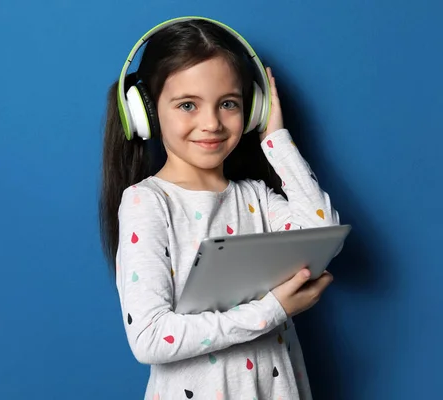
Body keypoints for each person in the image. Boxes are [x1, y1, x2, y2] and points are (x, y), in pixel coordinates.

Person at [99, 16, 341, 400]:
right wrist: (273, 310)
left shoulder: (256, 197)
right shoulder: (148, 202)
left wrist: (275, 137)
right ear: (144, 113)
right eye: (187, 105)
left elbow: (322, 232)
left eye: (228, 103)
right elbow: (149, 338)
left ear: (253, 109)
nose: (211, 122)